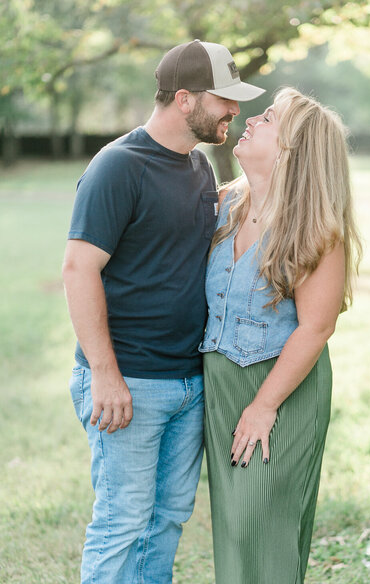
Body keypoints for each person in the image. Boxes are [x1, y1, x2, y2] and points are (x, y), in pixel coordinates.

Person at [62, 39, 265, 584]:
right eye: (224, 99)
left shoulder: (198, 166)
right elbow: (79, 270)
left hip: (188, 382)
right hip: (129, 380)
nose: (234, 110)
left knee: (168, 519)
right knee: (123, 521)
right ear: (185, 98)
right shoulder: (118, 167)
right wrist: (105, 375)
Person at [199, 87, 362, 584]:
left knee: (264, 526)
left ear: (292, 149)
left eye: (268, 118)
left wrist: (264, 406)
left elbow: (317, 327)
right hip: (222, 387)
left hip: (281, 393)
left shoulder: (316, 229)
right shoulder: (225, 204)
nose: (251, 120)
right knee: (234, 528)